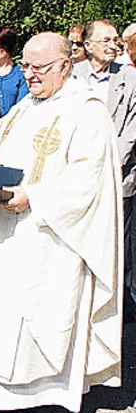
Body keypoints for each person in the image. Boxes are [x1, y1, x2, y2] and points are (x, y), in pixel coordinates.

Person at [0, 32, 122, 413]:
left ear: (65, 65)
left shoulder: (87, 111)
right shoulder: (28, 104)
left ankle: (37, 394)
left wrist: (34, 196)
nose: (29, 75)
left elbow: (87, 182)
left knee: (36, 313)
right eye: (25, 66)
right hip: (5, 225)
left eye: (38, 67)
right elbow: (8, 150)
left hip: (51, 236)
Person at [73, 19, 136, 321]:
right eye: (107, 40)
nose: (115, 46)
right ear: (88, 46)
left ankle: (118, 307)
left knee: (118, 246)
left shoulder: (129, 77)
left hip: (117, 174)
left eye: (116, 41)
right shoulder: (72, 76)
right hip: (76, 176)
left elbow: (132, 131)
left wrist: (108, 163)